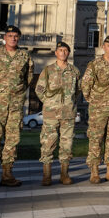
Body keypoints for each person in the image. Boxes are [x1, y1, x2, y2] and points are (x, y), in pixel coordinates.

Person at [0, 25, 34, 188]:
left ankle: (7, 174)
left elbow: (28, 78)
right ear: (5, 38)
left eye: (16, 36)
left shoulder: (24, 55)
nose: (13, 38)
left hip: (16, 106)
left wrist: (17, 92)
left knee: (12, 139)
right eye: (10, 35)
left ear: (19, 38)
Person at [81, 35, 109, 183]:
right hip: (98, 109)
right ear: (103, 47)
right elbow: (85, 85)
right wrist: (93, 101)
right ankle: (94, 171)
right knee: (96, 138)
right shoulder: (95, 64)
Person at [35, 41, 81, 186]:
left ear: (69, 53)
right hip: (51, 114)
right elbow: (39, 89)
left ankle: (64, 174)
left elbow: (78, 91)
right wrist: (49, 102)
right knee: (48, 143)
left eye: (65, 50)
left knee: (67, 144)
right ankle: (47, 175)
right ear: (56, 53)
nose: (63, 52)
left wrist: (70, 103)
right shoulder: (48, 70)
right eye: (60, 50)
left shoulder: (74, 71)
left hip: (68, 113)